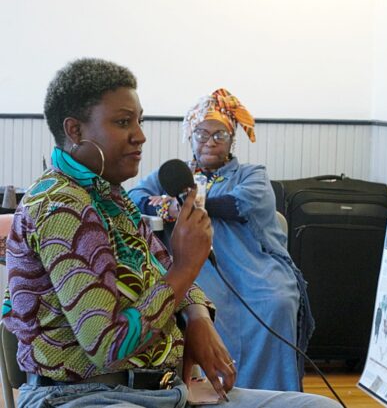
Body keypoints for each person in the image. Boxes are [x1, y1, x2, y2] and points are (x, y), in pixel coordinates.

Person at [3, 58, 337, 407]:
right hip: (88, 396)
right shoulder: (61, 206)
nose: (140, 135)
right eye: (122, 122)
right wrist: (185, 267)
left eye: (139, 120)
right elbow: (109, 345)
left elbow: (163, 267)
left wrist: (197, 316)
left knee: (319, 405)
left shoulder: (109, 196)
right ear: (75, 131)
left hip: (163, 390)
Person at [130, 88, 313, 391]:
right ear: (190, 135)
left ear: (232, 140)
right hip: (201, 267)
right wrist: (166, 205)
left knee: (277, 301)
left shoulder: (251, 174)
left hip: (254, 265)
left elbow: (242, 203)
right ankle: (211, 392)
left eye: (220, 135)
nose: (209, 142)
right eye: (202, 134)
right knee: (205, 306)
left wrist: (191, 203)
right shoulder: (174, 174)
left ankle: (274, 393)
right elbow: (135, 197)